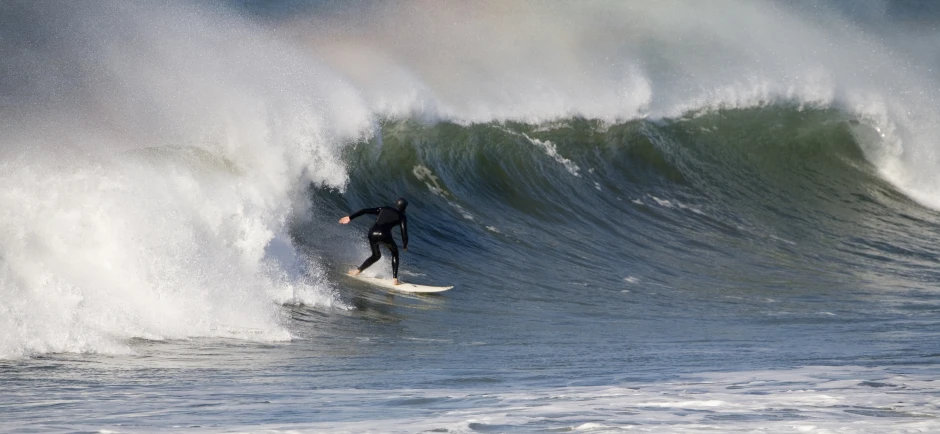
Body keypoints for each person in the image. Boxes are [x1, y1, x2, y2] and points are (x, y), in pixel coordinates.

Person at [339, 198, 409, 285]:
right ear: (404, 208)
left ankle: (357, 271)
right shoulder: (402, 216)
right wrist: (405, 244)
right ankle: (395, 279)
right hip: (385, 235)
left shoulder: (383, 208)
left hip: (372, 233)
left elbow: (365, 210)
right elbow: (404, 232)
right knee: (395, 253)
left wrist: (350, 217)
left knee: (376, 255)